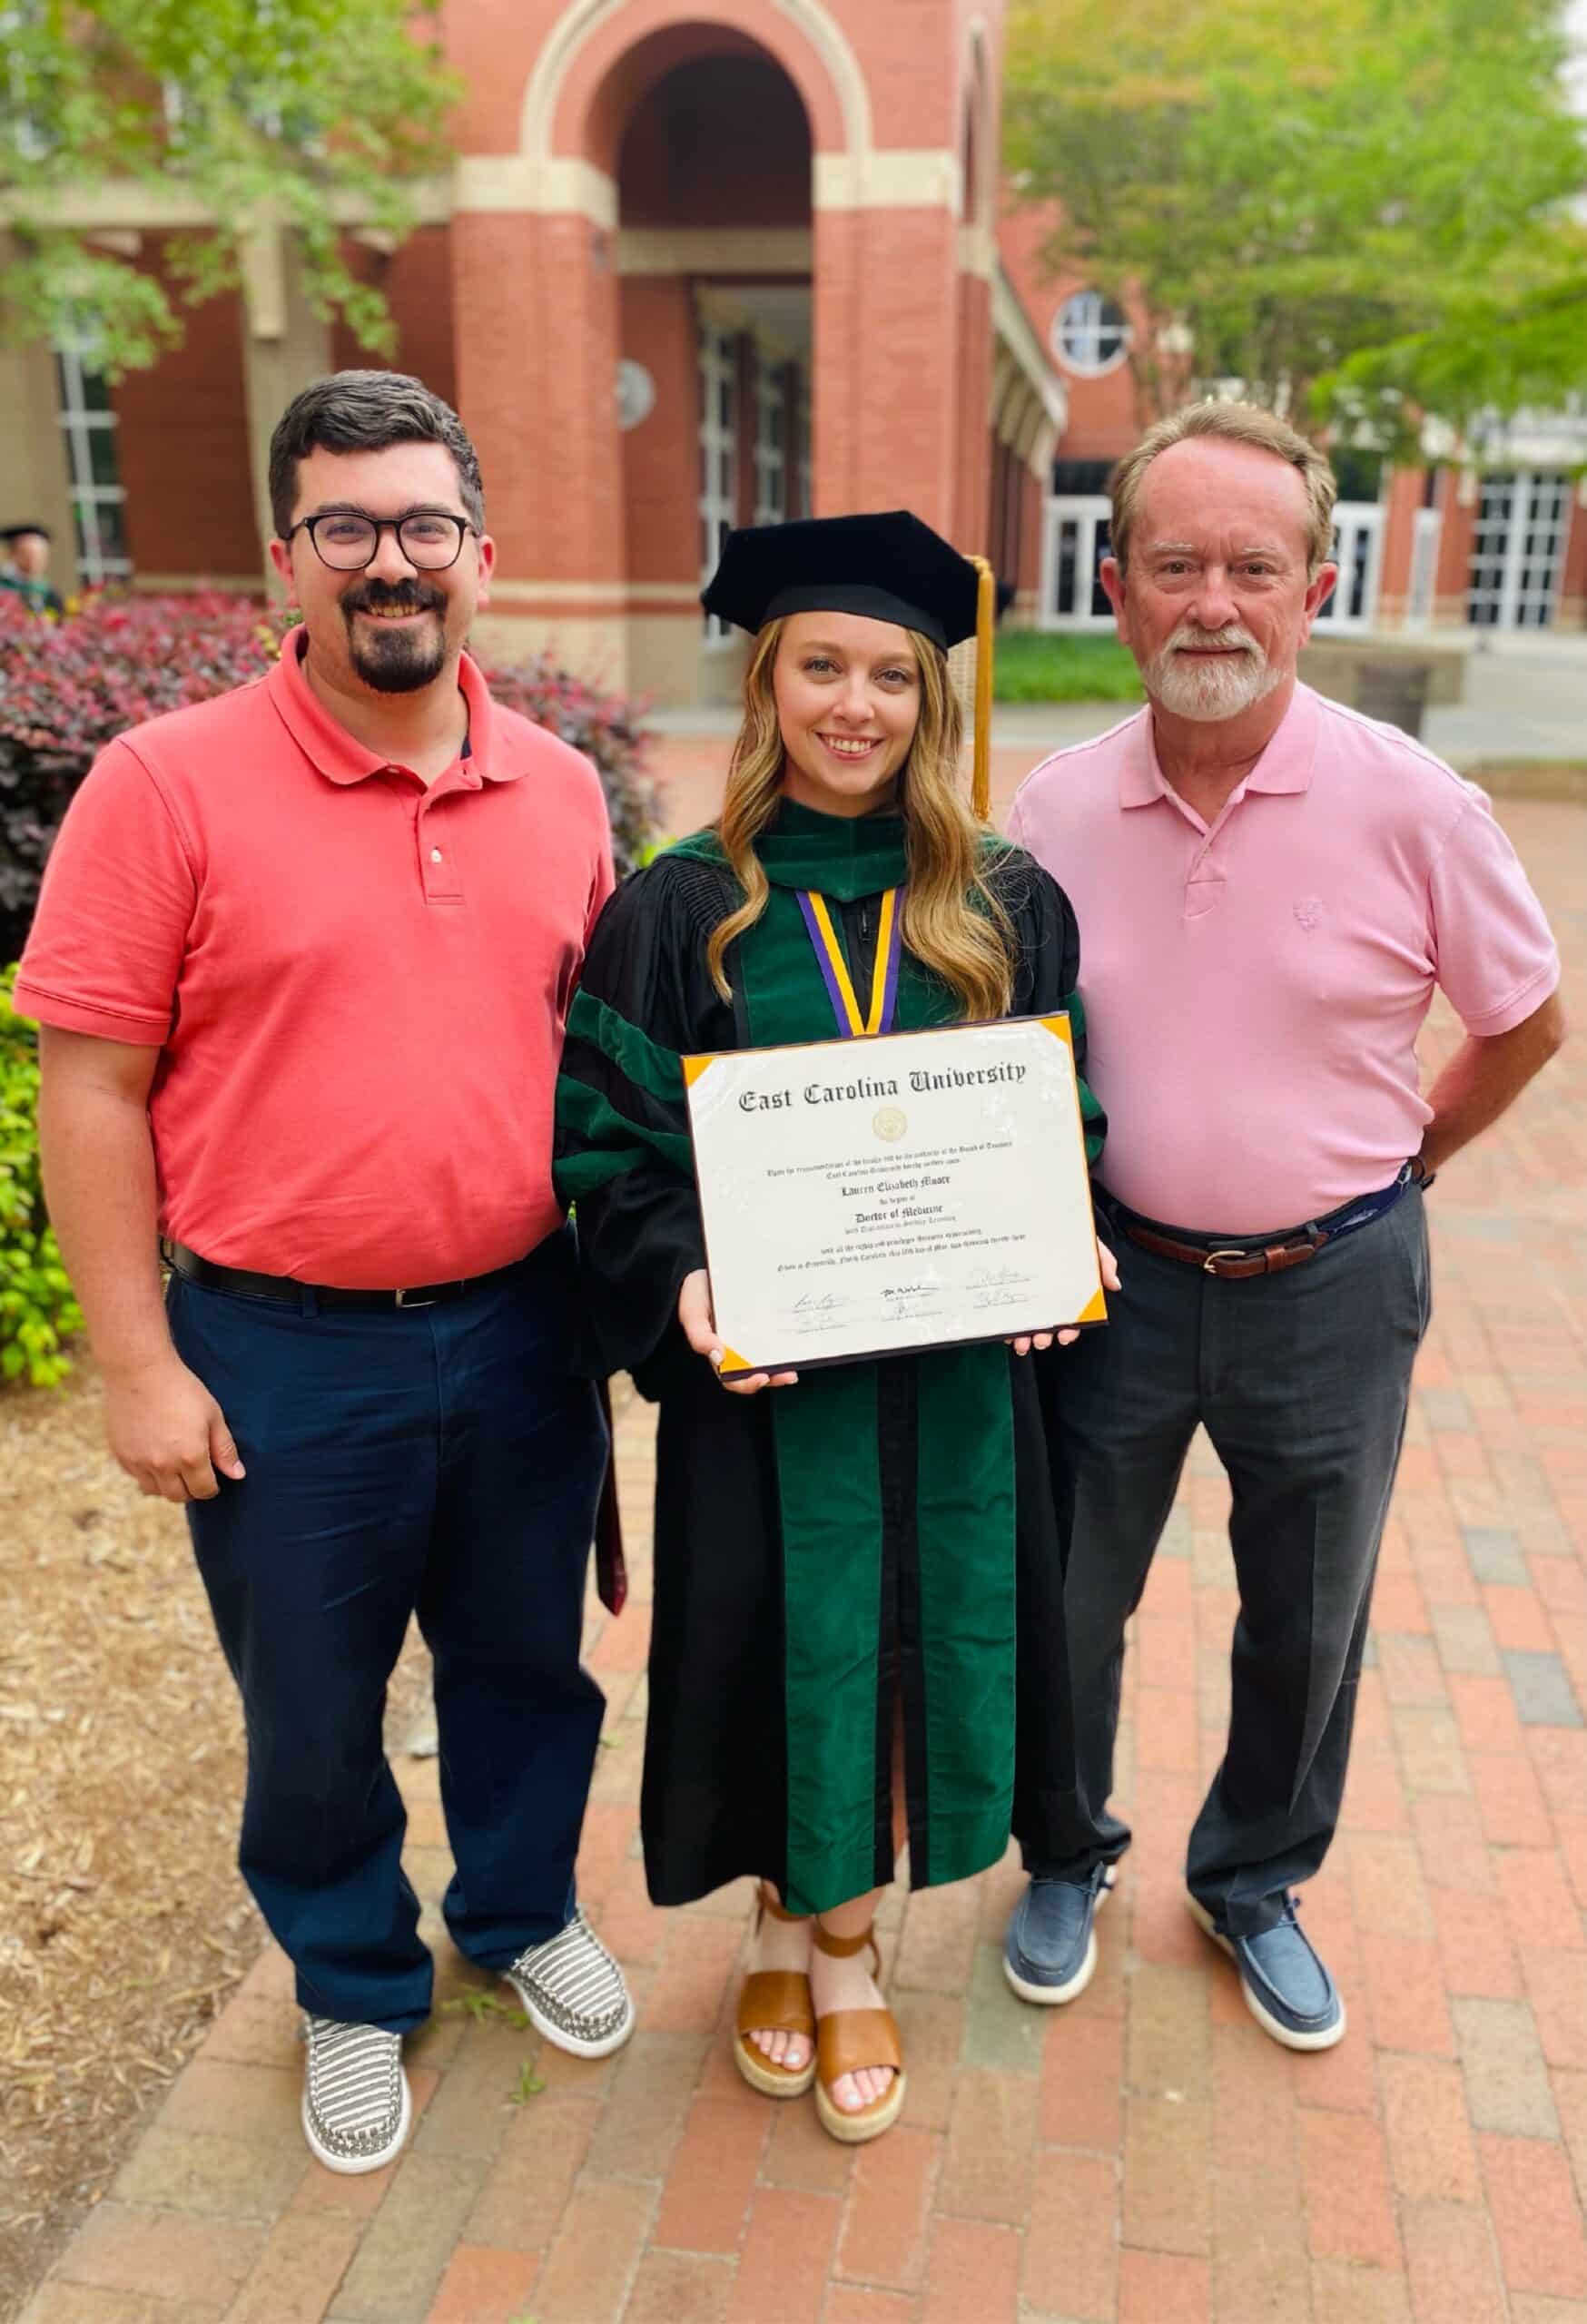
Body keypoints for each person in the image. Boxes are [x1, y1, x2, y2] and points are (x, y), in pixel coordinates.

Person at [15, 369, 634, 2175]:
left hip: (525, 1327)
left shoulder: (563, 790)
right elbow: (92, 1082)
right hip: (282, 1351)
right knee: (309, 1699)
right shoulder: (164, 785)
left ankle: (516, 1912)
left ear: (480, 557)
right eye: (348, 527)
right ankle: (356, 1978)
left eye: (423, 524)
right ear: (284, 556)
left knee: (528, 1661)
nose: (391, 562)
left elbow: (609, 1065)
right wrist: (137, 1362)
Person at [1004, 399, 1564, 2049]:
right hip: (1103, 1282)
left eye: (1251, 567)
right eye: (1172, 564)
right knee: (1065, 1589)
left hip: (1330, 1283)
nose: (1210, 605)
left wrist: (1412, 1164)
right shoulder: (1045, 813)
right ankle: (1061, 1848)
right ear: (1115, 587)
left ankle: (1252, 1879)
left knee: (1306, 1607)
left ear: (1311, 589)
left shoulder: (1415, 807)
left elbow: (1521, 1022)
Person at [555, 510, 1111, 2144]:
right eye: (820, 667)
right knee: (774, 1644)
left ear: (930, 699)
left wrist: (1046, 1245)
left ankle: (844, 1951)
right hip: (765, 1380)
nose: (853, 705)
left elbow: (1060, 1115)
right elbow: (603, 1155)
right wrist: (674, 1279)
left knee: (920, 1640)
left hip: (949, 1379)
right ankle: (777, 1928)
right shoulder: (678, 910)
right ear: (766, 680)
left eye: (889, 674)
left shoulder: (1005, 901)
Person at [1, 521, 65, 614]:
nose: (35, 560)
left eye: (40, 555)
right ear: (11, 554)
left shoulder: (50, 592)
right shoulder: (3, 588)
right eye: (28, 554)